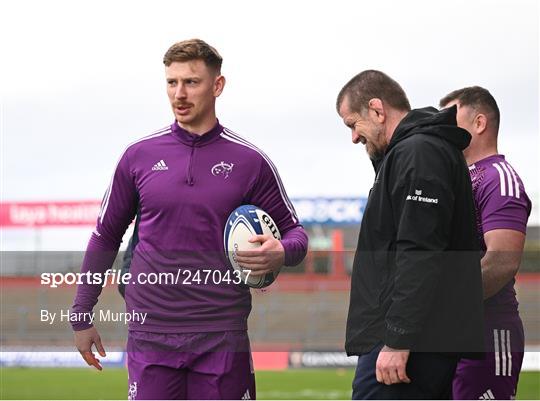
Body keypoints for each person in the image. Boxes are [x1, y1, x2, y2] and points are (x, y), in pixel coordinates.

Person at [71, 39, 308, 400]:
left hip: (222, 334)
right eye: (171, 82)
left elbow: (295, 234)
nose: (179, 93)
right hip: (150, 332)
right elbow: (106, 236)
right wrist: (81, 312)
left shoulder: (250, 162)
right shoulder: (138, 156)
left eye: (191, 82)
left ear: (217, 86)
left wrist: (281, 252)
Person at [335, 70, 484, 399]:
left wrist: (398, 338)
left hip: (413, 342)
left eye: (352, 124)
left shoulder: (419, 152)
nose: (354, 138)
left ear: (377, 110)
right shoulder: (414, 151)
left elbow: (420, 251)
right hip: (419, 338)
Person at [439, 87, 531, 400]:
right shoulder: (458, 178)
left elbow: (502, 261)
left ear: (479, 123)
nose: (443, 128)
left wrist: (436, 304)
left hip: (488, 334)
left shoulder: (498, 177)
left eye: (451, 118)